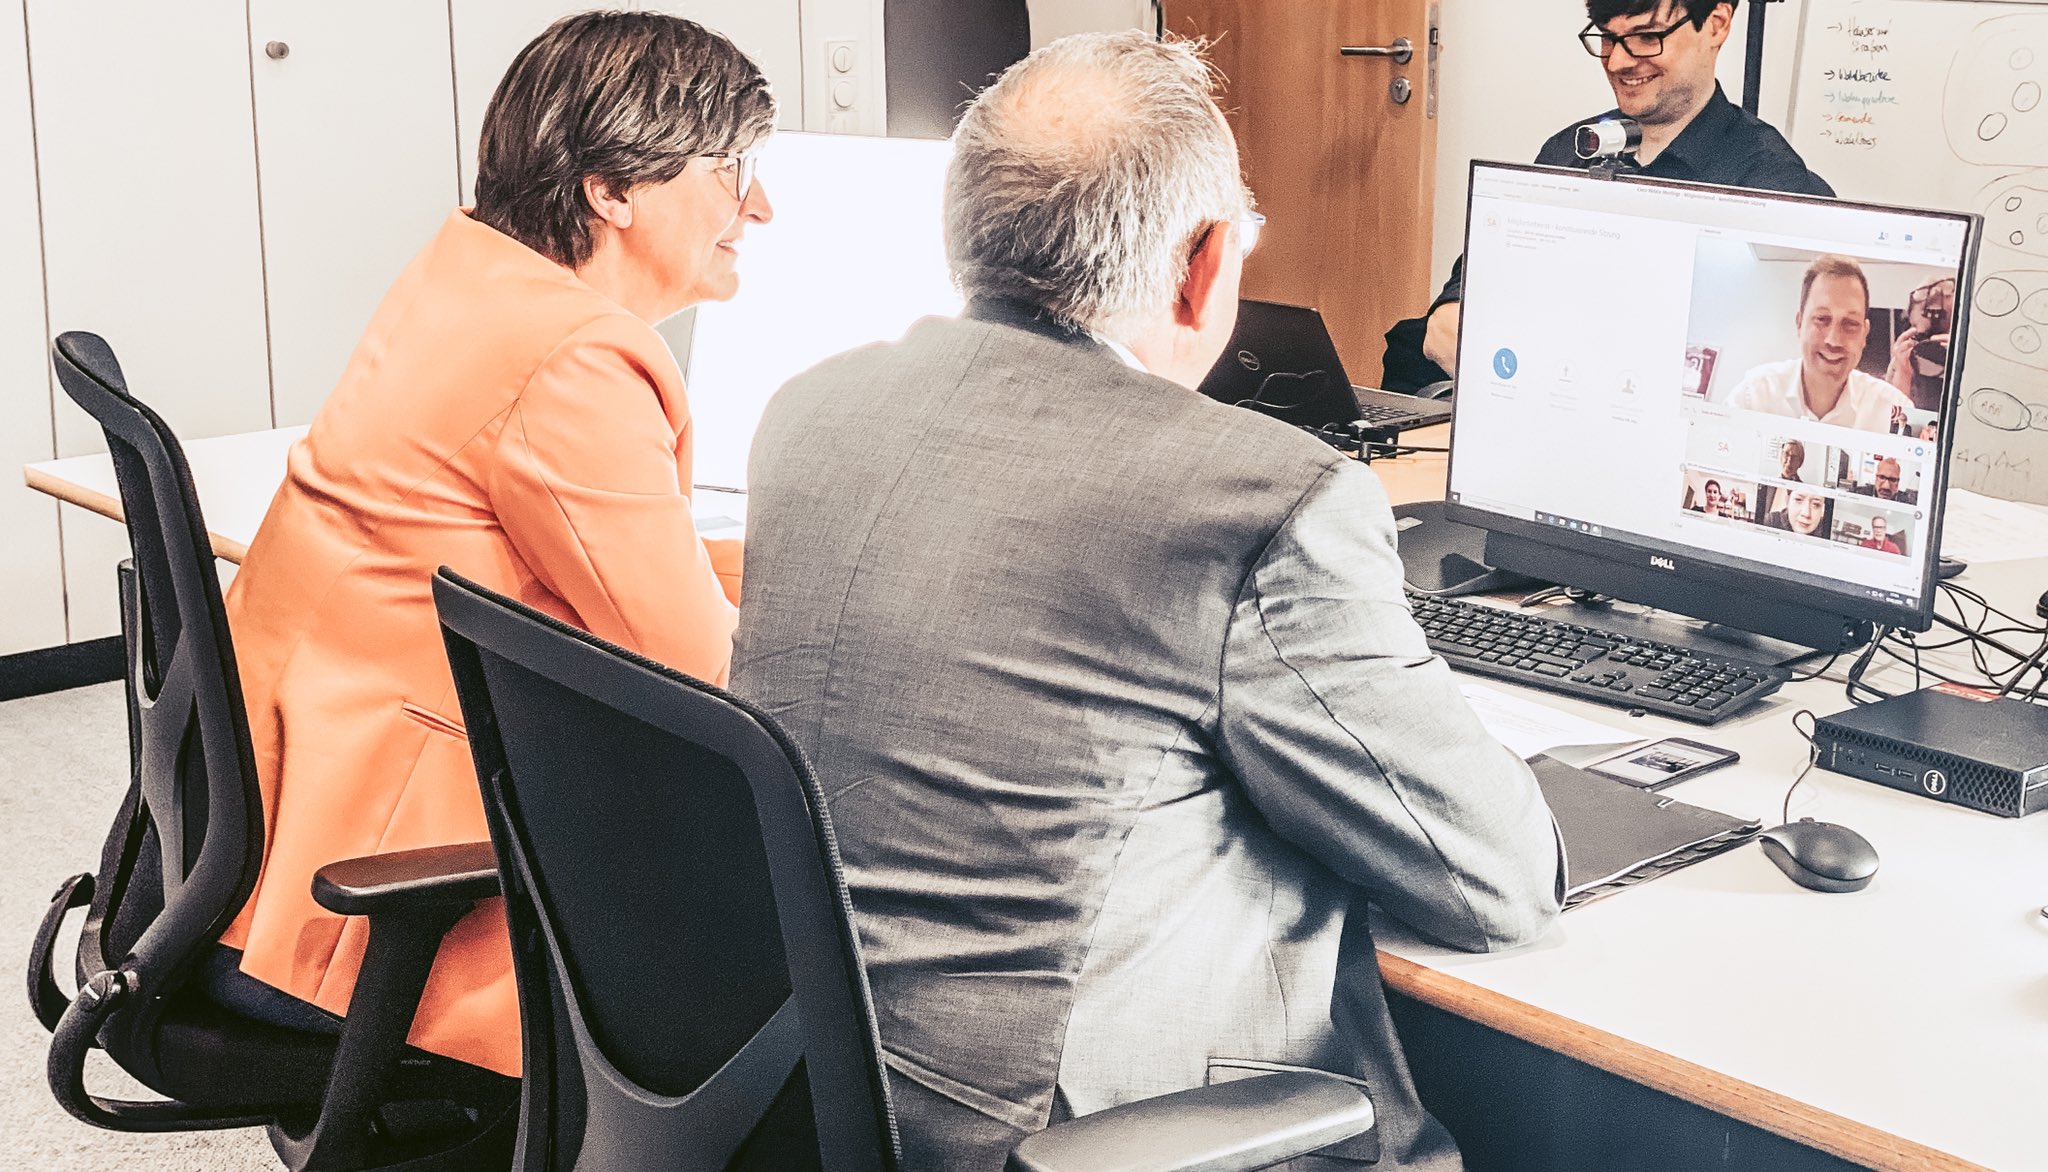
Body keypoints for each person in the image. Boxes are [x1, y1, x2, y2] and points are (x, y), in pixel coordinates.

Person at [733, 32, 1562, 1172]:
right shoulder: (1265, 499)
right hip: (1064, 1136)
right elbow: (1494, 878)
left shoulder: (810, 413)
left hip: (799, 1095)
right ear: (1204, 261)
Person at [216, 12, 775, 1078]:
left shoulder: (471, 274)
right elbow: (705, 677)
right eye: (731, 169)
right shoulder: (576, 355)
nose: (758, 206)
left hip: (280, 837)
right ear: (612, 189)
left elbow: (590, 558)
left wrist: (772, 567)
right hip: (388, 890)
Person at [1384, 0, 1833, 389]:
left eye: (1645, 37)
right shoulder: (1568, 151)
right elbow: (1466, 297)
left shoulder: (1775, 188)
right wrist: (1457, 312)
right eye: (1607, 37)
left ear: (1716, 24)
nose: (1618, 61)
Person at [1725, 255, 1916, 433]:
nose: (1833, 340)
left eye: (1850, 323)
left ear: (1864, 334)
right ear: (1799, 323)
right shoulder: (1752, 398)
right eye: (1822, 319)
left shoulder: (1897, 411)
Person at [1764, 487, 1832, 536]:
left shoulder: (1828, 532)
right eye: (1798, 500)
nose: (1806, 513)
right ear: (1787, 501)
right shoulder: (1770, 522)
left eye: (1816, 504)